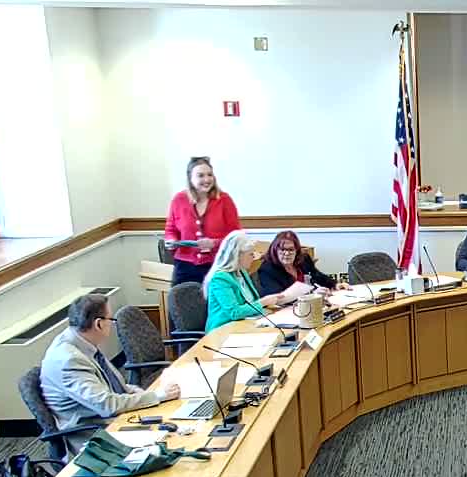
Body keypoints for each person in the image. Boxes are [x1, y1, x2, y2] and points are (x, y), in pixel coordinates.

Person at [41, 295, 181, 458]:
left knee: (176, 424)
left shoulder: (81, 342)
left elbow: (113, 385)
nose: (112, 324)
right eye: (111, 319)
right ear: (99, 324)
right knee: (173, 444)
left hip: (113, 419)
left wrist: (139, 392)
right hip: (95, 434)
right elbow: (108, 405)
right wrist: (157, 395)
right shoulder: (69, 360)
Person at [164, 157, 241, 286]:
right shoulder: (179, 200)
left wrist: (214, 243)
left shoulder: (224, 200)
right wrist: (171, 240)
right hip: (184, 266)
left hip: (218, 264)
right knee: (181, 297)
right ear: (190, 178)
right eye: (200, 175)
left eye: (209, 175)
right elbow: (171, 229)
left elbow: (236, 237)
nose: (207, 179)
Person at [204, 231, 287, 333]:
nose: (254, 257)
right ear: (238, 255)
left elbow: (251, 302)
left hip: (245, 325)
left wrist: (268, 303)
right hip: (222, 331)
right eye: (251, 254)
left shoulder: (242, 272)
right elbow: (234, 312)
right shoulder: (220, 278)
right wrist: (264, 302)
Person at [257, 231, 350, 297]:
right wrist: (312, 296)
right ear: (275, 250)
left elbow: (318, 276)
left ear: (296, 251)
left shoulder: (304, 259)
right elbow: (278, 298)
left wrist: (335, 284)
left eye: (291, 250)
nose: (287, 253)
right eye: (282, 249)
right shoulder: (267, 269)